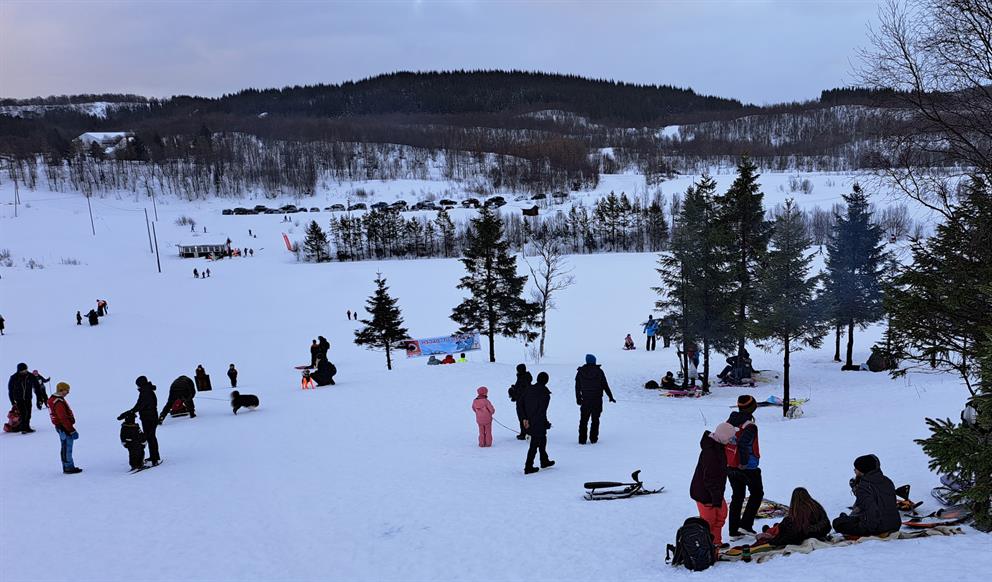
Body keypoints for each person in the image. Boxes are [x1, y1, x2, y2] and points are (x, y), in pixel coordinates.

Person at [690, 422, 736, 550]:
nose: (732, 441)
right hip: (704, 493)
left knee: (721, 514)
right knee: (709, 521)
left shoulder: (718, 446)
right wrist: (716, 498)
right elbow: (709, 478)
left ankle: (716, 542)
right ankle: (706, 546)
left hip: (714, 492)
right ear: (723, 437)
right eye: (730, 438)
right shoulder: (711, 453)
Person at [832, 454, 902, 537]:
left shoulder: (864, 487)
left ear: (863, 470)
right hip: (895, 524)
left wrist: (868, 529)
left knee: (837, 523)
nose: (854, 470)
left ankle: (846, 520)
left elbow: (870, 510)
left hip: (877, 527)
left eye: (856, 468)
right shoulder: (887, 481)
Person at [727, 395, 763, 537]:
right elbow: (743, 444)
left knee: (737, 496)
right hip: (747, 466)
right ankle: (746, 525)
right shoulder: (750, 426)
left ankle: (734, 530)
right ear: (752, 408)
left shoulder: (729, 421)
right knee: (757, 494)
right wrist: (743, 463)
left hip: (730, 465)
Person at [757, 487, 831, 546]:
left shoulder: (800, 511)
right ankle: (773, 530)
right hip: (822, 531)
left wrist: (773, 541)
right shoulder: (815, 505)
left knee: (784, 526)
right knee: (784, 524)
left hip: (809, 533)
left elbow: (796, 532)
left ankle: (771, 531)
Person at [574, 354, 616, 445]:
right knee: (595, 419)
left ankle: (582, 439)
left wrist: (578, 398)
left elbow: (577, 387)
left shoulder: (580, 372)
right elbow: (605, 385)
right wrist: (610, 396)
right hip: (597, 400)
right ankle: (593, 438)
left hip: (585, 400)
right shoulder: (599, 372)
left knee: (583, 420)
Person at [120, 376, 160, 465]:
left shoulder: (146, 392)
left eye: (138, 385)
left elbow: (140, 405)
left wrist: (130, 412)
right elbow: (140, 405)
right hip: (148, 418)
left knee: (150, 437)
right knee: (150, 437)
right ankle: (154, 456)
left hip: (150, 418)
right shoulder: (146, 391)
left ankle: (155, 459)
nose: (137, 387)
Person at [523, 372, 554, 474]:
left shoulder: (529, 389)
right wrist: (545, 422)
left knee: (542, 440)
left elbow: (523, 404)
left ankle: (544, 460)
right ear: (546, 381)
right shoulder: (545, 394)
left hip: (531, 420)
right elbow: (541, 410)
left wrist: (525, 418)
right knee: (534, 444)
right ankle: (528, 466)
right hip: (538, 421)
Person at [48, 382, 81, 474]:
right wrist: (71, 430)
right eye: (67, 390)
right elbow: (63, 418)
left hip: (61, 427)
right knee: (67, 447)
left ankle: (67, 466)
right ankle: (68, 467)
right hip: (64, 427)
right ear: (61, 390)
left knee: (65, 446)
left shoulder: (55, 399)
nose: (68, 392)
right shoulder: (58, 402)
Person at [8, 363, 36, 433]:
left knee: (29, 413)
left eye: (25, 369)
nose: (25, 371)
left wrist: (39, 398)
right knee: (23, 413)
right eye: (23, 370)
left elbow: (37, 386)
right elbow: (10, 390)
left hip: (28, 398)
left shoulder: (30, 376)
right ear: (19, 370)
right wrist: (12, 401)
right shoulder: (14, 377)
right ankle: (23, 428)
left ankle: (27, 426)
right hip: (18, 399)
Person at [508, 364, 531, 440]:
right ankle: (526, 433)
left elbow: (521, 392)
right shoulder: (525, 377)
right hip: (527, 401)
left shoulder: (522, 378)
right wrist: (514, 388)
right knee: (526, 417)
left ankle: (524, 434)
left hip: (522, 402)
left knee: (523, 417)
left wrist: (512, 392)